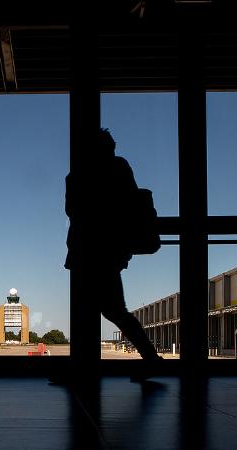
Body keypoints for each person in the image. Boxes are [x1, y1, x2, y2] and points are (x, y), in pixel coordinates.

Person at [64, 128, 162, 380]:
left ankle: (148, 359)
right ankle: (150, 359)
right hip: (108, 251)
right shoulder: (119, 169)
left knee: (104, 310)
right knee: (114, 310)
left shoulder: (81, 175)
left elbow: (73, 210)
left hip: (90, 252)